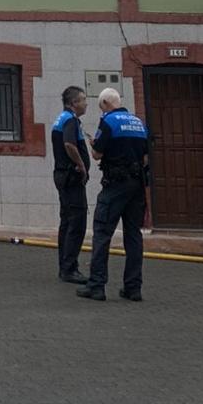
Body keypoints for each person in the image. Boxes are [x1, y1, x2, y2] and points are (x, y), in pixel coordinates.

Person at [78, 87, 150, 303]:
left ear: (106, 104)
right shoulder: (139, 123)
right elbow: (146, 158)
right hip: (137, 185)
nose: (102, 111)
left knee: (102, 232)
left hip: (115, 185)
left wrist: (93, 145)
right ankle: (133, 288)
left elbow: (97, 154)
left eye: (101, 107)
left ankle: (97, 285)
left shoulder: (108, 121)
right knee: (133, 235)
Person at [52, 86, 91, 283]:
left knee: (67, 222)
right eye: (83, 100)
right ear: (74, 103)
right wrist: (81, 165)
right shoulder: (70, 120)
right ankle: (69, 268)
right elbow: (69, 144)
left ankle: (65, 266)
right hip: (71, 178)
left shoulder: (61, 119)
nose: (86, 103)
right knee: (76, 223)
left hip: (63, 176)